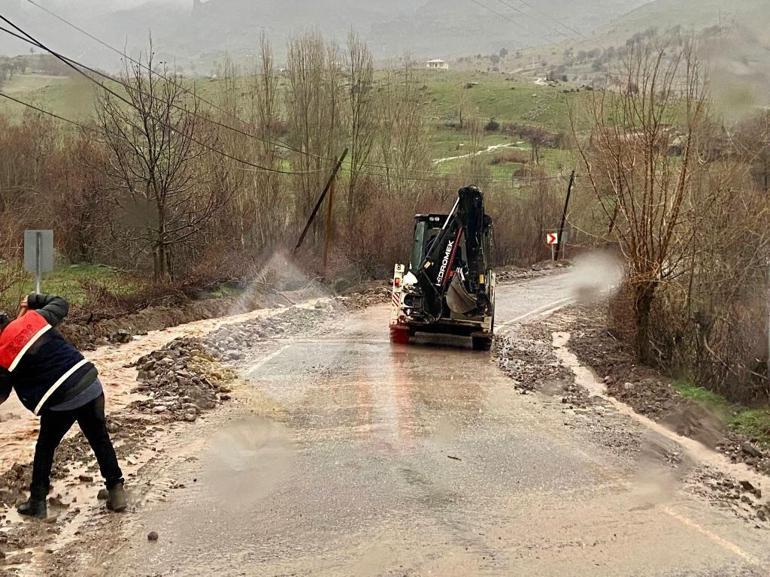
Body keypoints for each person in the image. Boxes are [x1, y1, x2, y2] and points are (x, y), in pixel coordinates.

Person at [0, 293, 126, 519]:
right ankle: (116, 491)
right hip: (89, 383)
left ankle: (37, 503)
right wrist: (34, 299)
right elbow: (61, 303)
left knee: (45, 448)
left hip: (61, 398)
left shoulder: (3, 354)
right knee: (99, 438)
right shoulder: (34, 319)